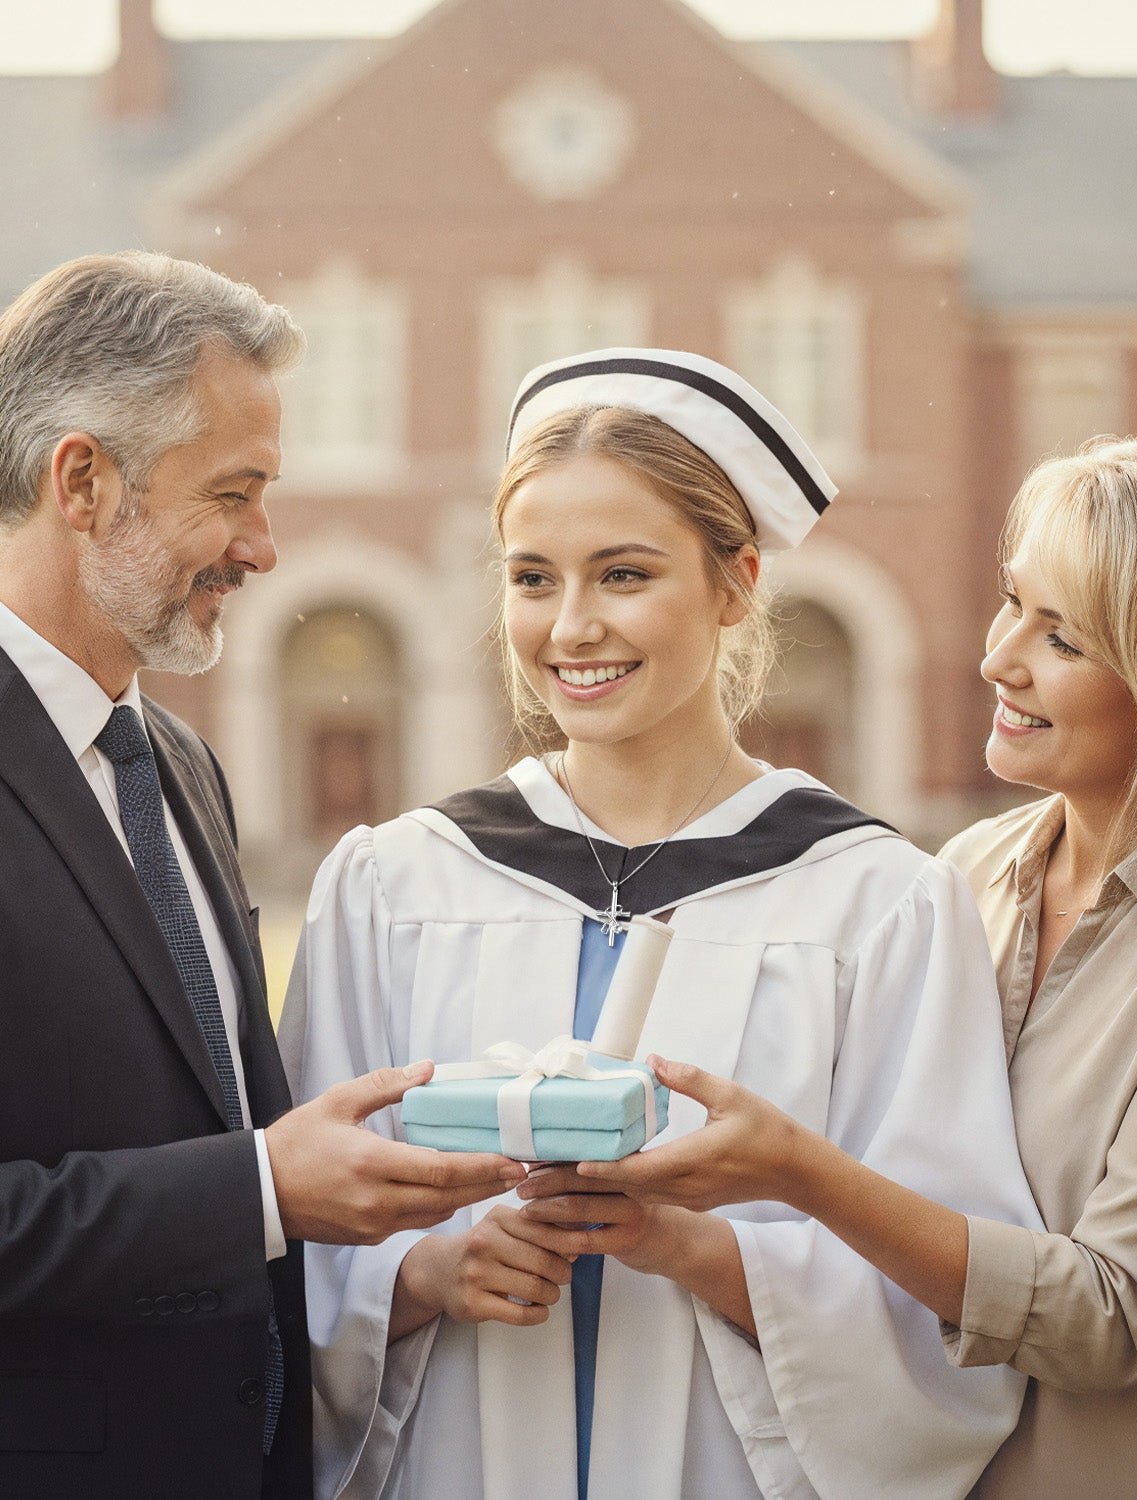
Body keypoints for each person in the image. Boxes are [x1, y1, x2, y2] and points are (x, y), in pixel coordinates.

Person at [280, 348, 1042, 1500]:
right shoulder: (396, 885)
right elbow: (300, 1236)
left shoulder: (873, 899)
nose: (572, 626)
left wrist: (698, 1249)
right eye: (532, 578)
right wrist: (431, 1274)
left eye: (624, 574)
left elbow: (948, 1294)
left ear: (736, 583)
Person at [581, 433, 1137, 1497]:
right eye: (1015, 605)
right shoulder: (963, 875)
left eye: (1064, 639)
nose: (998, 657)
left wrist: (796, 1171)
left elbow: (1112, 1313)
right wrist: (673, 1235)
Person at [0, 252, 523, 1500]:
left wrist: (412, 1273)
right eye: (233, 494)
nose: (264, 547)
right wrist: (258, 1189)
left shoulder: (176, 764)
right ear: (83, 481)